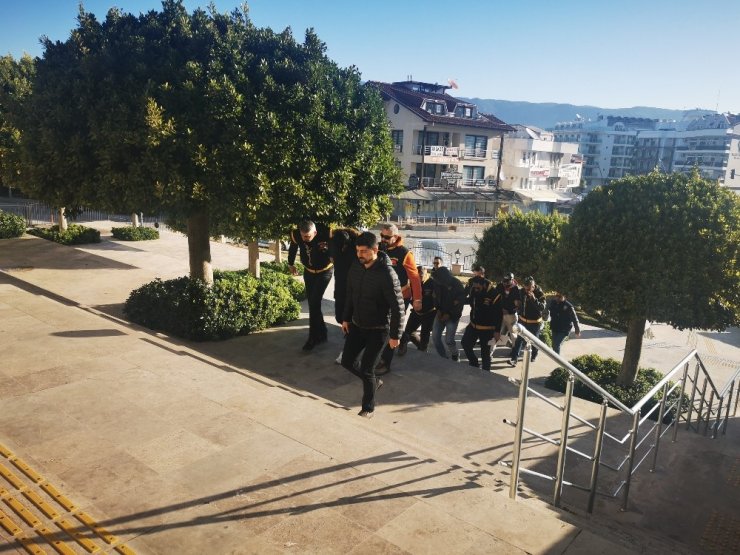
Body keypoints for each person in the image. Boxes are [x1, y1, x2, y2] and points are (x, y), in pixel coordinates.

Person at [341, 232, 404, 418]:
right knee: (347, 362)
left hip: (379, 330)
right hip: (358, 324)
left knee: (367, 369)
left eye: (364, 251)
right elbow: (350, 294)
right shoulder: (356, 266)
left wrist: (395, 335)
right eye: (357, 251)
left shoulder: (387, 274)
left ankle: (368, 409)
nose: (359, 255)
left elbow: (398, 307)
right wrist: (346, 318)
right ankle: (375, 383)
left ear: (375, 250)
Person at [376, 223, 422, 372]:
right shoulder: (378, 248)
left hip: (400, 296)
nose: (383, 239)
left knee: (393, 327)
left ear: (395, 237)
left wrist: (417, 299)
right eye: (381, 236)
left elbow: (414, 278)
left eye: (386, 237)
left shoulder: (405, 253)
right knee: (381, 325)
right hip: (381, 295)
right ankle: (404, 338)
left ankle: (385, 361)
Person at [288, 220, 333, 351]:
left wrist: (328, 251)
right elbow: (293, 247)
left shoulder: (326, 233)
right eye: (303, 236)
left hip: (324, 272)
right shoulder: (296, 234)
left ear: (315, 232)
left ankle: (313, 338)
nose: (305, 239)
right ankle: (322, 332)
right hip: (308, 272)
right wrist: (291, 263)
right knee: (313, 303)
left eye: (308, 236)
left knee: (314, 303)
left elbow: (336, 248)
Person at [461, 269, 501, 371]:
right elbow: (471, 300)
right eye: (473, 287)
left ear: (483, 285)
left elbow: (498, 314)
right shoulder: (474, 289)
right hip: (473, 325)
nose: (475, 289)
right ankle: (474, 363)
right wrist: (459, 300)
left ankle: (486, 374)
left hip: (487, 328)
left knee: (485, 353)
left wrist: (497, 331)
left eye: (477, 287)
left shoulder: (494, 293)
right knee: (465, 343)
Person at [330, 227, 360, 363]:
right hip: (340, 290)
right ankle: (351, 342)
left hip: (353, 291)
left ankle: (348, 351)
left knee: (349, 321)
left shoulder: (355, 251)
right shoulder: (335, 247)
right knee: (340, 318)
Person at [397, 265, 436, 354]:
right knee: (408, 332)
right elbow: (408, 296)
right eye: (418, 276)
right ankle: (420, 346)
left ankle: (423, 351)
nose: (419, 277)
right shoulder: (413, 282)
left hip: (429, 313)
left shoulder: (433, 283)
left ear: (426, 273)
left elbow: (438, 300)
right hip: (416, 312)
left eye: (421, 275)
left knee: (425, 334)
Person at [509, 276, 546, 366]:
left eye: (529, 289)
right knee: (519, 340)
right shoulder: (522, 291)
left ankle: (534, 355)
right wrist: (517, 306)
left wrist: (534, 299)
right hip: (523, 320)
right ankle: (514, 359)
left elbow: (542, 307)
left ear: (533, 286)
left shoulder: (539, 293)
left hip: (535, 322)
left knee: (534, 341)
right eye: (525, 289)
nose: (527, 291)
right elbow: (519, 302)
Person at [431, 265, 466, 361]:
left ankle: (455, 354)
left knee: (449, 340)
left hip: (452, 316)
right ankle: (443, 357)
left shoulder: (457, 284)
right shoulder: (437, 283)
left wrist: (449, 314)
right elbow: (435, 297)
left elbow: (460, 303)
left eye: (438, 279)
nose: (437, 281)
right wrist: (438, 309)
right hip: (440, 313)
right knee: (435, 337)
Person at [496, 272, 521, 348]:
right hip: (501, 314)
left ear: (512, 280)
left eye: (507, 281)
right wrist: (501, 308)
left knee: (513, 335)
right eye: (504, 281)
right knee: (500, 335)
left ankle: (514, 352)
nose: (505, 283)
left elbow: (517, 304)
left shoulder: (515, 289)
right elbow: (495, 298)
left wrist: (511, 309)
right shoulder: (500, 286)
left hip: (511, 315)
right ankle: (510, 345)